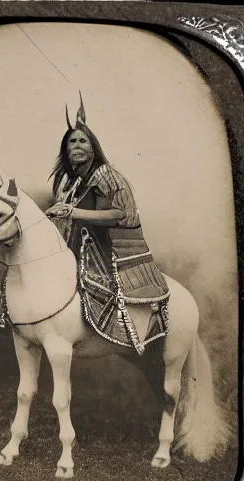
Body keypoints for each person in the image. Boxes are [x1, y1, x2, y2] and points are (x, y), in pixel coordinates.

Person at [45, 94, 169, 352]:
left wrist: (73, 212)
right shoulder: (76, 182)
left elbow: (118, 214)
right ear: (66, 150)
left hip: (114, 247)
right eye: (72, 142)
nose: (77, 145)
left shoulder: (104, 175)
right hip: (89, 246)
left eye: (83, 141)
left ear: (93, 148)